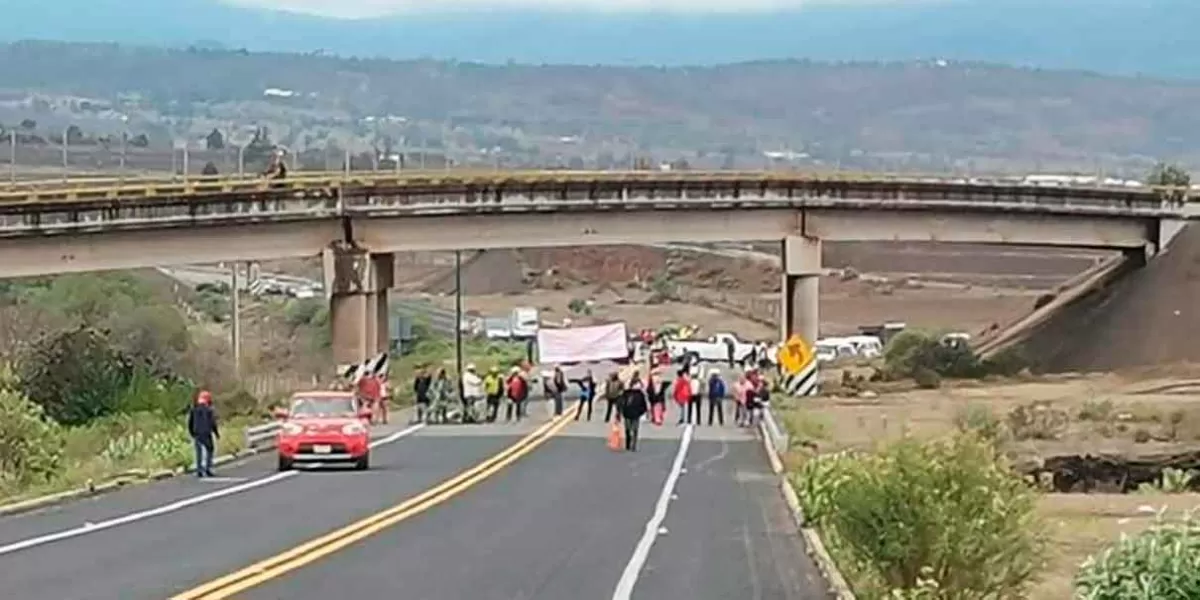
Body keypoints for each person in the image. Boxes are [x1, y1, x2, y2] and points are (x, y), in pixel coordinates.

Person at [187, 390, 219, 478]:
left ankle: (199, 470)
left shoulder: (193, 409)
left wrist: (191, 433)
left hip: (197, 433)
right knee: (210, 450)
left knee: (199, 452)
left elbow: (190, 422)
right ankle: (208, 468)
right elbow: (212, 422)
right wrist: (216, 433)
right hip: (206, 433)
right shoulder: (209, 410)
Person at [621, 379, 649, 452]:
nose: (639, 386)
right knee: (627, 429)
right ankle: (628, 443)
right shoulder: (626, 393)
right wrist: (621, 411)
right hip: (627, 413)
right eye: (637, 384)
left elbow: (643, 405)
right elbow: (621, 402)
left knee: (635, 429)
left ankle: (633, 445)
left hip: (636, 414)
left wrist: (642, 412)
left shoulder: (640, 394)